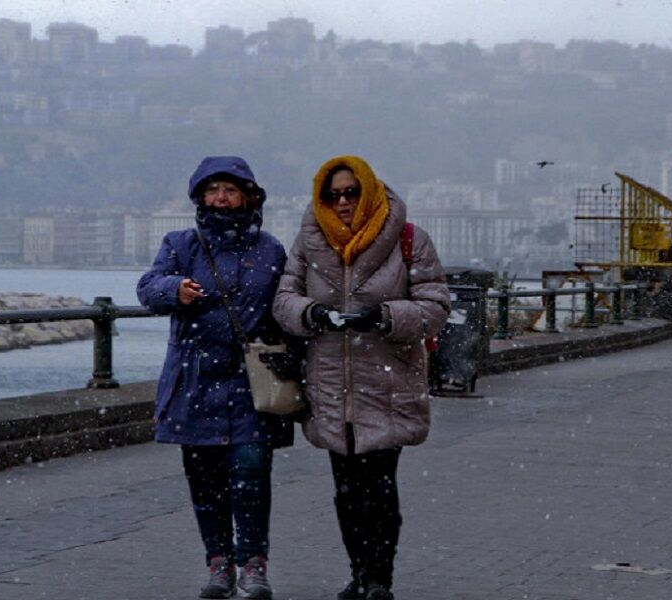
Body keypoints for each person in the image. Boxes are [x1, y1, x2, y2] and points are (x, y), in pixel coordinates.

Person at [272, 155, 450, 600]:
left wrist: (385, 317)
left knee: (380, 487)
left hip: (387, 384)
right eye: (333, 195)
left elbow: (436, 307)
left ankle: (378, 579)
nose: (343, 202)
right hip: (331, 385)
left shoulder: (408, 239)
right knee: (346, 490)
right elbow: (284, 300)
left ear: (368, 191)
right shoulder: (309, 241)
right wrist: (312, 314)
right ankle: (358, 572)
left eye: (351, 192)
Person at [137, 156, 292, 600]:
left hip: (251, 383)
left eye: (230, 189)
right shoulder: (181, 244)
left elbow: (285, 304)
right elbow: (148, 287)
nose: (221, 198)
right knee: (204, 480)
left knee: (251, 472)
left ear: (248, 196)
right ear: (200, 197)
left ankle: (253, 562)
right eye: (212, 190)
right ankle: (219, 561)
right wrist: (175, 290)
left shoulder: (270, 249)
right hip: (195, 382)